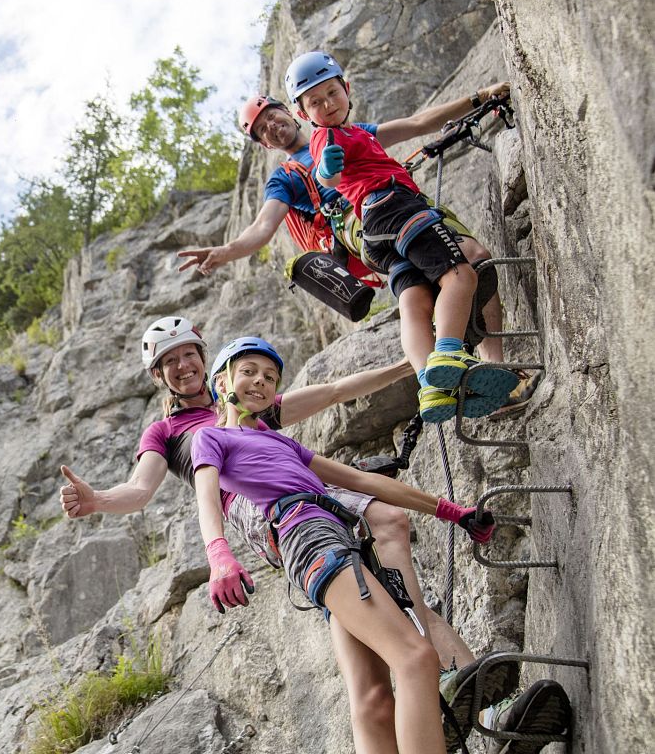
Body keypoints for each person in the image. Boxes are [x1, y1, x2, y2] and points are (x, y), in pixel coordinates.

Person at [59, 316, 528, 751]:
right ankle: (433, 662)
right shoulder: (173, 432)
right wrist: (100, 500)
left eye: (188, 354)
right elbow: (141, 489)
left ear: (206, 361)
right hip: (264, 507)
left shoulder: (259, 411)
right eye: (169, 361)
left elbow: (336, 392)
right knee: (405, 637)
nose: (182, 365)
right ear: (161, 376)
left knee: (389, 543)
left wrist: (413, 363)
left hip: (306, 492)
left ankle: (452, 670)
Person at [191, 336, 496, 752]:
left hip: (338, 536)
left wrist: (450, 511)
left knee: (372, 699)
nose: (259, 382)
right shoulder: (212, 439)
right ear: (222, 382)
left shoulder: (284, 443)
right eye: (248, 372)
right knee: (416, 658)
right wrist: (218, 554)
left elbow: (362, 481)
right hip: (309, 536)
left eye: (269, 377)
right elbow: (206, 496)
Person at [283, 51, 521, 424]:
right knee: (461, 274)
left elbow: (418, 122)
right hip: (394, 206)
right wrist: (326, 172)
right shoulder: (327, 137)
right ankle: (448, 354)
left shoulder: (358, 132)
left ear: (347, 89)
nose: (327, 105)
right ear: (303, 113)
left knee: (415, 302)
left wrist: (477, 97)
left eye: (332, 93)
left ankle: (432, 386)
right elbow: (327, 174)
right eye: (315, 101)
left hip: (376, 235)